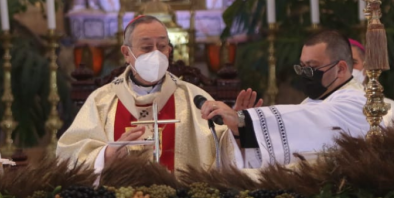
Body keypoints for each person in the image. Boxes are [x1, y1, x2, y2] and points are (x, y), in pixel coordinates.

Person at [56, 15, 260, 173]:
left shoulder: (194, 98)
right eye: (146, 47)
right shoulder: (102, 101)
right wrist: (105, 156)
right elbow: (68, 153)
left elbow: (222, 156)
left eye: (162, 46)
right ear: (127, 53)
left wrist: (239, 128)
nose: (156, 53)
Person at [200, 30, 373, 169]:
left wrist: (242, 121)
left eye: (312, 67)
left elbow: (311, 120)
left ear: (341, 69)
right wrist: (239, 131)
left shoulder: (358, 102)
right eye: (302, 67)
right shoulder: (314, 102)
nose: (305, 74)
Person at [349, 38, 394, 126]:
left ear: (365, 68)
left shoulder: (392, 110)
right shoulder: (324, 109)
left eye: (352, 63)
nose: (347, 69)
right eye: (338, 64)